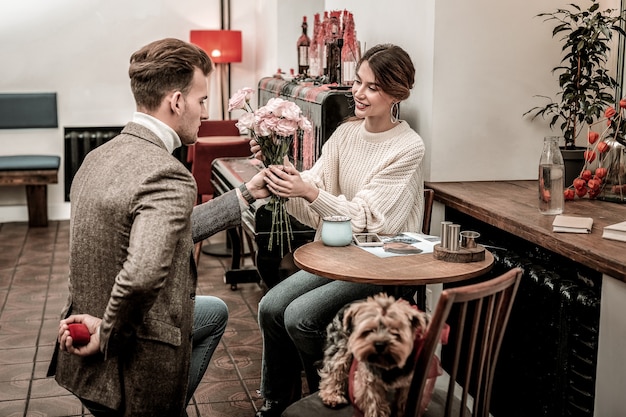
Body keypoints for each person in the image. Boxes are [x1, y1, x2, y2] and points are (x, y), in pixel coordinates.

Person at [46, 38, 269, 417]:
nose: (204, 111)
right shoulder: (168, 174)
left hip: (79, 352)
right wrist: (105, 335)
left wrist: (245, 193)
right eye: (201, 101)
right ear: (177, 101)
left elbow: (165, 230)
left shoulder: (97, 157)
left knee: (212, 312)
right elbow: (143, 276)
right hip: (125, 360)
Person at [253, 43, 425, 417]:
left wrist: (310, 191)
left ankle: (335, 395)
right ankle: (277, 400)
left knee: (300, 316)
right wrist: (283, 177)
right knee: (271, 306)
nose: (359, 94)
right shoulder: (346, 134)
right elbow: (312, 203)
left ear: (397, 93)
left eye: (373, 87)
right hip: (338, 256)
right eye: (358, 82)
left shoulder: (409, 147)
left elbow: (369, 220)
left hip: (380, 266)